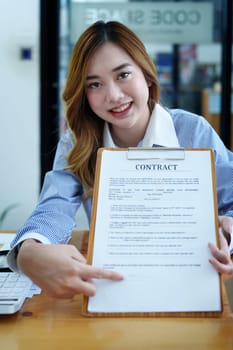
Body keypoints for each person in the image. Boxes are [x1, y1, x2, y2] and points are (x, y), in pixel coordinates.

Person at [7, 20, 233, 298]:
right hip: (113, 285)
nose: (113, 95)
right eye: (95, 84)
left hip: (191, 282)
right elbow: (54, 207)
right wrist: (29, 250)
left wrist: (229, 223)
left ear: (147, 76)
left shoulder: (192, 131)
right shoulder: (79, 141)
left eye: (123, 75)